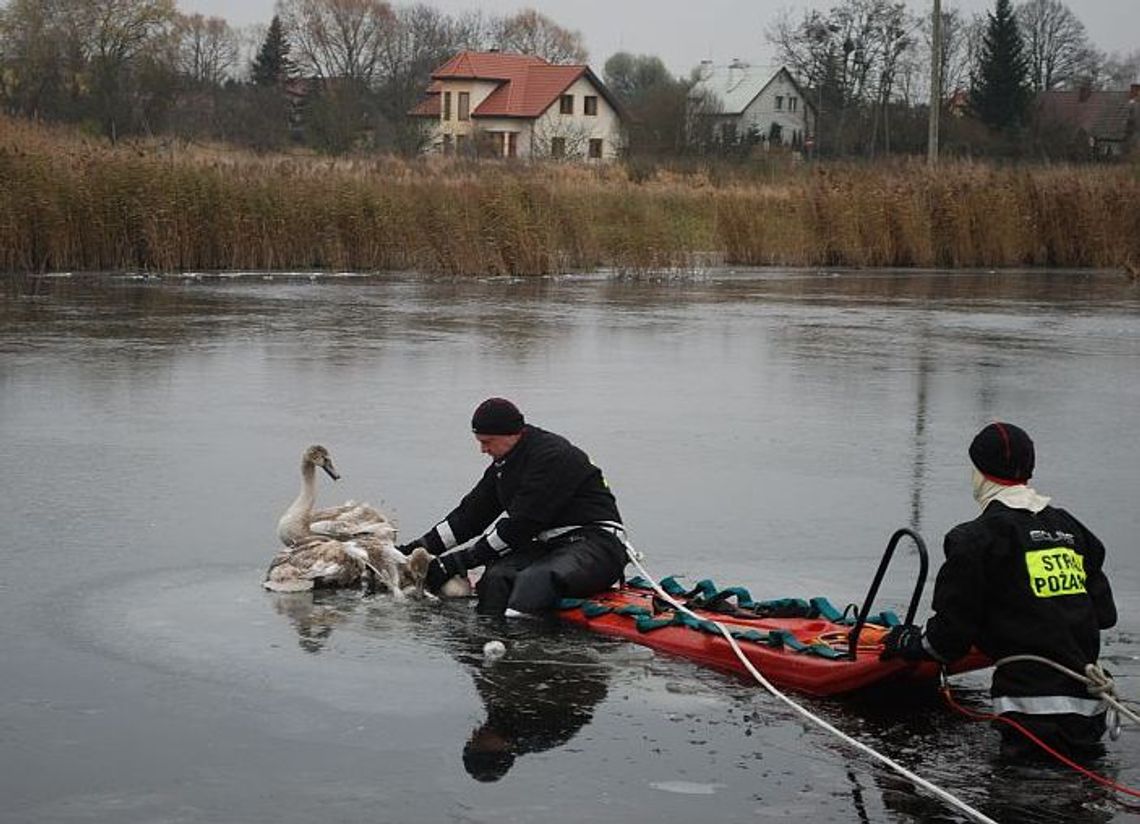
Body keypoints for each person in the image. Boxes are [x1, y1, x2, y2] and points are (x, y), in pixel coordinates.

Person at [881, 421, 1117, 759]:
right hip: (1089, 710)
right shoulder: (1072, 529)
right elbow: (1104, 616)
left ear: (978, 473)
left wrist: (909, 643)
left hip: (1029, 717)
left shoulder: (975, 540)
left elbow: (949, 642)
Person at [397, 398, 628, 617]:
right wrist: (411, 551)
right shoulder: (504, 464)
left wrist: (456, 563)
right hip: (550, 546)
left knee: (536, 580)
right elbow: (468, 518)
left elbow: (519, 527)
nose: (482, 450)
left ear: (511, 434)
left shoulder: (552, 457)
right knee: (495, 578)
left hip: (597, 543)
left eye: (486, 442)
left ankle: (522, 646)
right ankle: (489, 639)